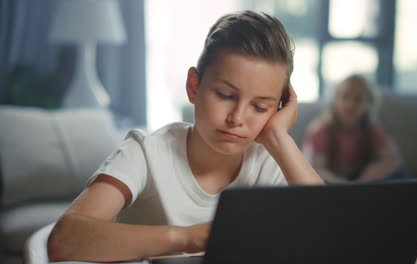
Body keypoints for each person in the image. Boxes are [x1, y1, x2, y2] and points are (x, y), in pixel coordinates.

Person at [47, 10, 323, 262]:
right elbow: (64, 239)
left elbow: (331, 234)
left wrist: (279, 138)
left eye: (260, 107)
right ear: (194, 86)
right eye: (225, 95)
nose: (237, 118)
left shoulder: (268, 162)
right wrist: (190, 237)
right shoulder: (146, 152)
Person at [302, 74, 404, 183]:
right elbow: (314, 169)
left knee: (399, 174)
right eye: (345, 97)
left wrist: (365, 179)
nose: (350, 105)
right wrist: (345, 186)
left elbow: (392, 159)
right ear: (335, 100)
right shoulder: (321, 130)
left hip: (361, 180)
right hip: (332, 182)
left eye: (358, 99)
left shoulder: (370, 128)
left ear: (368, 103)